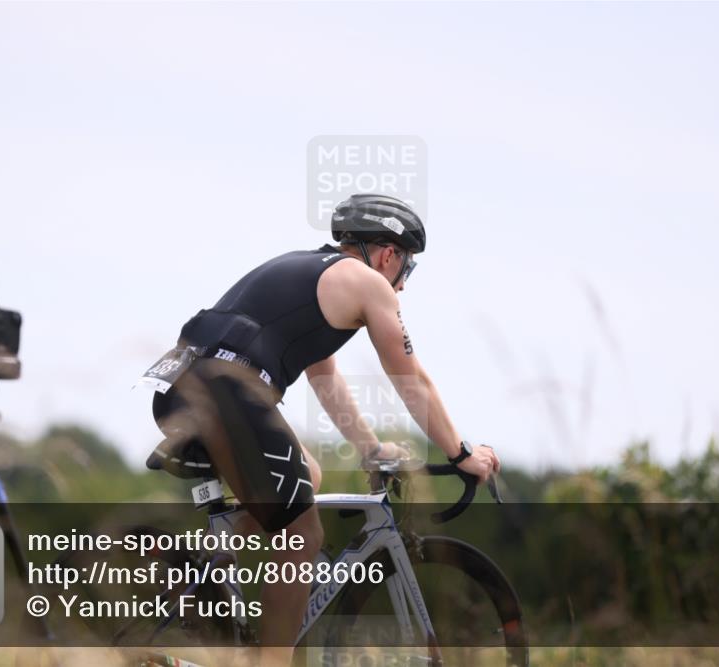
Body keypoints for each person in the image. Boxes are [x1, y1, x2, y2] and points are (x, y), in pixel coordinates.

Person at [146, 193, 500, 667]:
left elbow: (323, 376)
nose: (403, 284)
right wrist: (461, 453)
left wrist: (369, 448)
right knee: (303, 535)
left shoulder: (313, 273)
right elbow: (411, 379)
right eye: (408, 268)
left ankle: (198, 571)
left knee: (307, 476)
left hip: (179, 385)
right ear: (388, 254)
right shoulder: (367, 283)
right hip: (229, 393)